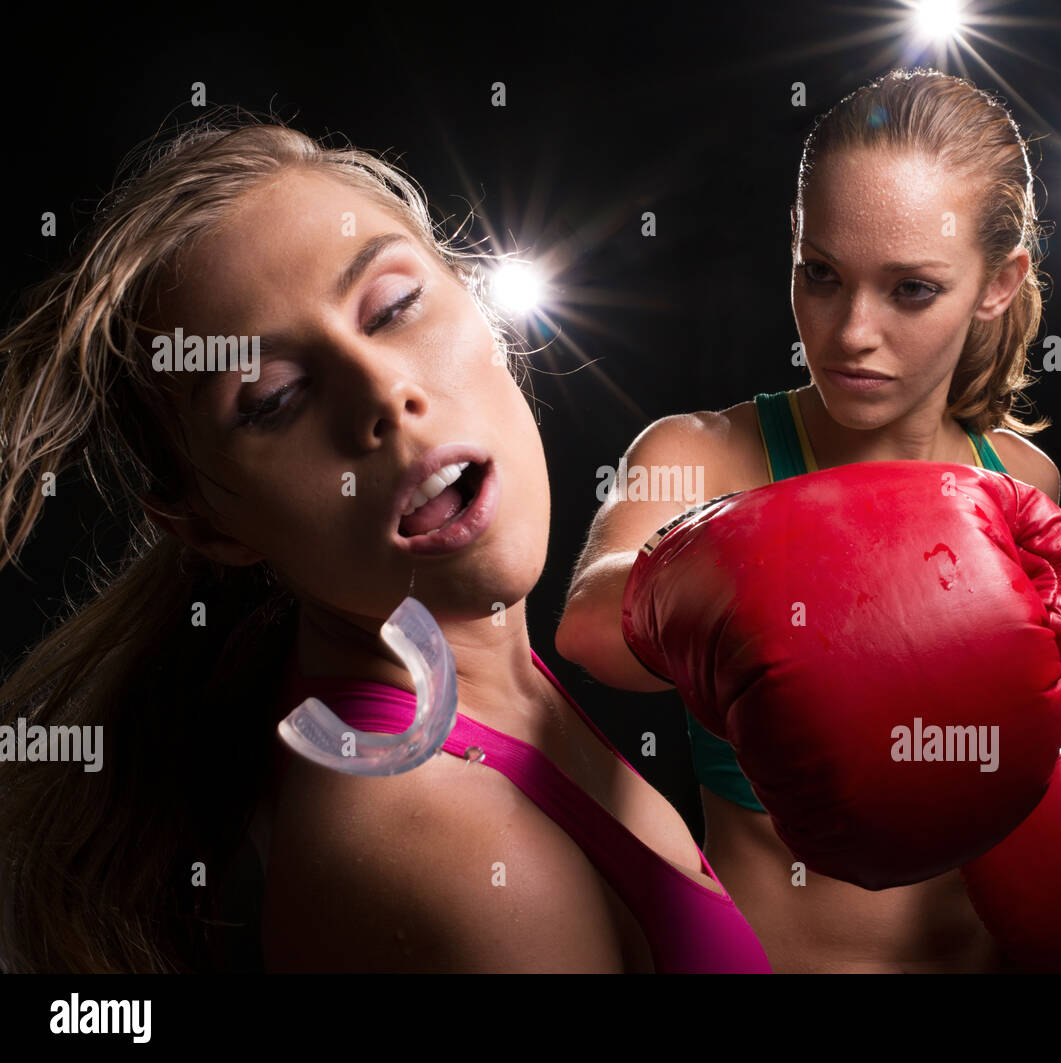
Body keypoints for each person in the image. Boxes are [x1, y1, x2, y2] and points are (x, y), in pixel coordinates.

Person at [0, 114, 770, 974]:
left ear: (475, 296)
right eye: (276, 398)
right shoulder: (457, 863)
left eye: (394, 306)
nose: (384, 390)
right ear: (211, 524)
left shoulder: (483, 686)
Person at [556, 68, 1061, 973]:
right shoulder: (702, 453)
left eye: (911, 289)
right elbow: (590, 625)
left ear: (999, 283)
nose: (849, 332)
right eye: (820, 275)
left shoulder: (1022, 483)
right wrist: (773, 586)